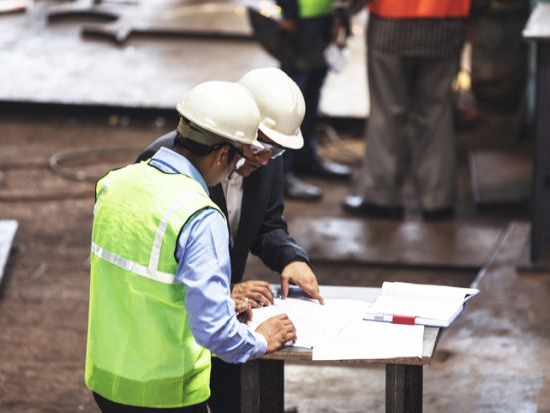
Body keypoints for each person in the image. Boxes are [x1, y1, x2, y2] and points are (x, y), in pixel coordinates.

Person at [85, 81, 297, 413]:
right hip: (166, 390)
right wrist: (261, 340)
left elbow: (143, 281)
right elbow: (214, 332)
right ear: (223, 154)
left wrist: (217, 297)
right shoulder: (199, 215)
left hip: (108, 380)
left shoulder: (115, 184)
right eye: (239, 158)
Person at [136, 68, 324, 413]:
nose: (266, 158)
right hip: (173, 339)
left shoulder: (265, 163)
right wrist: (219, 293)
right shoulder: (168, 163)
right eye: (261, 146)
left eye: (277, 151)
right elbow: (149, 259)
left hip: (227, 327)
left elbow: (267, 223)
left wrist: (290, 258)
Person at [342, 0, 471, 220]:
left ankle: (381, 197)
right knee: (437, 113)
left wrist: (344, 11)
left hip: (390, 24)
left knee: (387, 112)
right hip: (446, 22)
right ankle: (437, 201)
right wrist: (475, 15)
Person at [277, 0, 353, 201]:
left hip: (324, 15)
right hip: (300, 20)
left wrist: (340, 16)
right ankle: (281, 175)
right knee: (292, 100)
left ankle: (305, 158)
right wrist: (289, 12)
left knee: (312, 94)